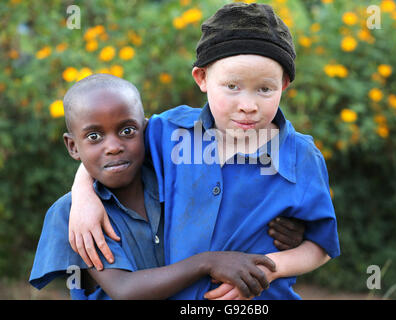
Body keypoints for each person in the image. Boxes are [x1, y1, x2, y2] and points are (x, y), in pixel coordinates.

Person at [69, 3, 340, 300]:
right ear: (202, 79)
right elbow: (115, 145)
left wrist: (269, 268)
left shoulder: (301, 157)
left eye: (264, 89)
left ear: (284, 84)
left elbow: (321, 246)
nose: (248, 105)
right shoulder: (169, 132)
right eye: (232, 86)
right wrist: (82, 194)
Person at [29, 74, 305, 300]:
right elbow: (124, 290)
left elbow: (230, 215)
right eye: (94, 136)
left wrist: (279, 233)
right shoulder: (72, 214)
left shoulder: (175, 181)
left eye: (127, 131)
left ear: (146, 130)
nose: (113, 146)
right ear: (72, 146)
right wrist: (207, 262)